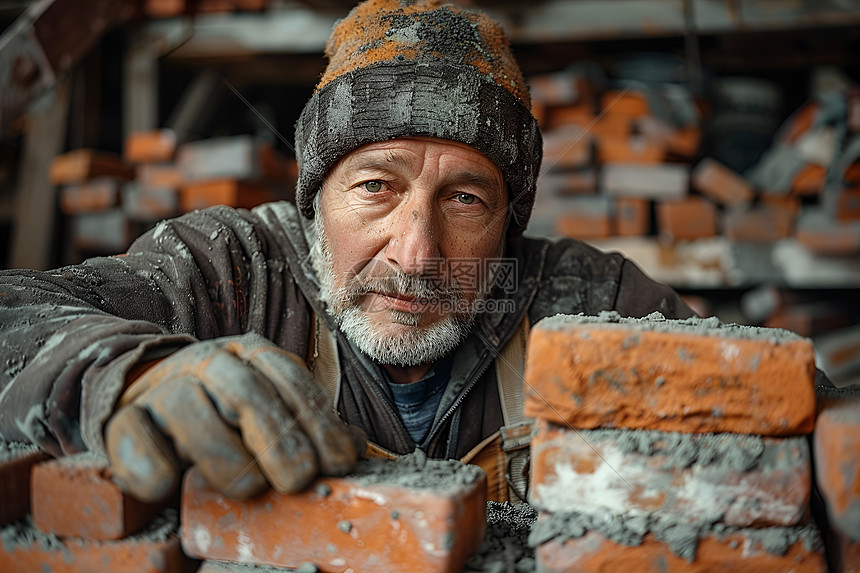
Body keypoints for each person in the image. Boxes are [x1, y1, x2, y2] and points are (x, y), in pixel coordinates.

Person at [0, 0, 694, 504]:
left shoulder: (589, 300)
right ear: (314, 200)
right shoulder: (234, 269)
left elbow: (783, 404)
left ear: (510, 223)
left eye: (465, 199)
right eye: (374, 187)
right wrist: (129, 376)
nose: (417, 255)